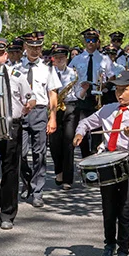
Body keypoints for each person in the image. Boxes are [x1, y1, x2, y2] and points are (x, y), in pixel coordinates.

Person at [73, 71, 129, 256]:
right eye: (117, 89)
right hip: (107, 163)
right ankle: (109, 244)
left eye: (124, 90)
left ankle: (123, 250)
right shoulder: (108, 109)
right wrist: (80, 133)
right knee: (108, 209)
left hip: (128, 163)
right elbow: (86, 122)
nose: (119, 94)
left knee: (125, 210)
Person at [0, 37, 34, 230]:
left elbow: (31, 96)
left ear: (5, 54)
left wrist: (30, 103)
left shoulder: (17, 74)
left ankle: (7, 213)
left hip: (11, 126)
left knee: (10, 170)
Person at [19, 31, 60, 207]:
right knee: (19, 153)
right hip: (20, 112)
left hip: (40, 112)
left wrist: (53, 117)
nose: (35, 51)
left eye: (38, 47)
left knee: (40, 154)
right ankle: (27, 179)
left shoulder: (47, 69)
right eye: (31, 47)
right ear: (25, 47)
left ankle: (38, 191)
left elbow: (53, 94)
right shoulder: (16, 67)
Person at [69, 28, 112, 155]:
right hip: (82, 98)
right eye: (88, 40)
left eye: (93, 40)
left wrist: (103, 86)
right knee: (81, 127)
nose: (91, 42)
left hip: (98, 97)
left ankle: (94, 154)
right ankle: (84, 154)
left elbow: (113, 77)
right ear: (84, 41)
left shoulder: (105, 59)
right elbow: (70, 77)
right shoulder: (77, 59)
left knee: (97, 129)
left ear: (98, 41)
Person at [48, 44, 79, 189]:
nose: (59, 60)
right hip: (53, 109)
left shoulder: (73, 73)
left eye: (62, 57)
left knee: (68, 142)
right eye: (57, 57)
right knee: (54, 143)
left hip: (70, 106)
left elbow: (77, 92)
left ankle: (67, 178)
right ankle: (58, 171)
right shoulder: (48, 72)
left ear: (66, 58)